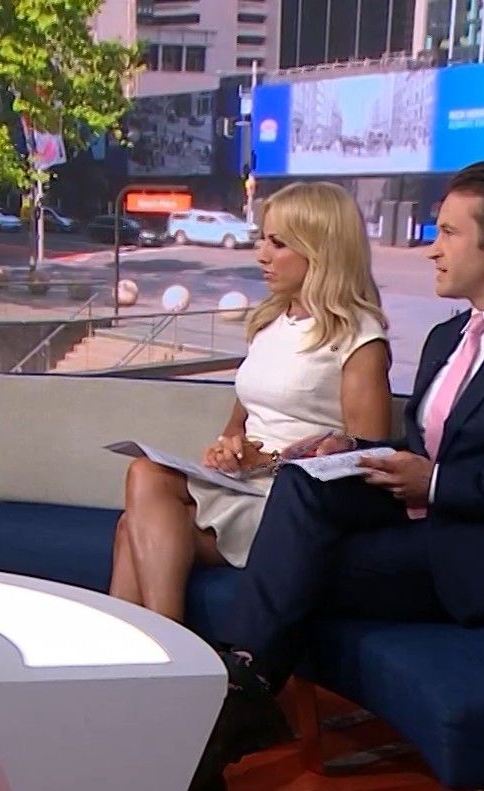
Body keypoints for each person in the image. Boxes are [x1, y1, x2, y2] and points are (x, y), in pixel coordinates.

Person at [179, 160, 484, 791]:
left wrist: (438, 481)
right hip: (431, 519)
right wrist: (350, 447)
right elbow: (427, 448)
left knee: (299, 568)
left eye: (448, 232)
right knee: (303, 481)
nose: (431, 248)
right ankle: (241, 691)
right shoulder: (450, 337)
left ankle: (226, 709)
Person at [110, 181, 393, 623]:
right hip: (243, 482)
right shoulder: (268, 324)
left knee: (133, 526)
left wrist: (273, 462)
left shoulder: (359, 337)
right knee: (145, 473)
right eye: (262, 238)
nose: (261, 254)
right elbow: (237, 428)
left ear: (321, 250)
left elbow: (366, 460)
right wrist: (227, 449)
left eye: (278, 243)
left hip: (289, 505)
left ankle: (160, 648)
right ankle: (168, 649)